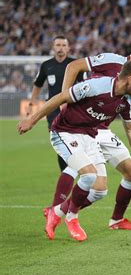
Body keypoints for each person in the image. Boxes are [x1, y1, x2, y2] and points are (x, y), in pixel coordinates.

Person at [45, 33, 131, 231]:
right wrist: (65, 97)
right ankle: (58, 211)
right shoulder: (111, 61)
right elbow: (74, 66)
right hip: (81, 125)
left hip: (102, 129)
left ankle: (115, 219)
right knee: (80, 169)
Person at [18, 60, 131, 241]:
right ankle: (71, 218)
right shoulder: (97, 86)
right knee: (88, 175)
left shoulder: (127, 101)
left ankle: (55, 212)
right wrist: (31, 120)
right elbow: (60, 97)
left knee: (99, 191)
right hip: (64, 132)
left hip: (89, 136)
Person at [27, 36, 84, 174]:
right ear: (53, 47)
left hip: (71, 108)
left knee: (75, 140)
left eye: (64, 45)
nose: (61, 48)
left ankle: (76, 168)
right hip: (52, 109)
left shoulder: (75, 64)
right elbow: (38, 84)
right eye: (58, 45)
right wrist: (31, 103)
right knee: (59, 140)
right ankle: (66, 172)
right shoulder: (46, 65)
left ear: (68, 48)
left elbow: (83, 85)